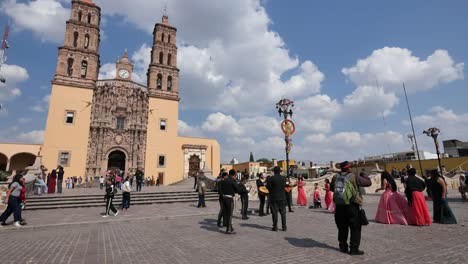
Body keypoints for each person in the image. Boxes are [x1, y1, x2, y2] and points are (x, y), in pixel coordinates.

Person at [331, 161, 372, 255]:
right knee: (355, 227)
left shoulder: (335, 177)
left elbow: (332, 188)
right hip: (352, 205)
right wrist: (364, 175)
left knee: (342, 226)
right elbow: (368, 183)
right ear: (348, 168)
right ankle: (354, 249)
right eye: (351, 167)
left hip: (340, 205)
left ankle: (343, 245)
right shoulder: (354, 176)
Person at [219, 169, 242, 234]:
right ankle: (228, 229)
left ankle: (230, 227)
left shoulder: (223, 181)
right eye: (236, 175)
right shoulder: (232, 181)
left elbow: (221, 190)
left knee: (226, 214)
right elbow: (238, 190)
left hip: (223, 199)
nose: (236, 177)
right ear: (233, 175)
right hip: (229, 199)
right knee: (229, 214)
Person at [267, 166, 287, 232]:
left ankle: (275, 227)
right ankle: (284, 227)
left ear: (274, 171)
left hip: (274, 198)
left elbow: (268, 188)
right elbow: (285, 186)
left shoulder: (271, 178)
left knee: (274, 213)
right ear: (280, 171)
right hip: (282, 197)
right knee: (283, 213)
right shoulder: (284, 178)